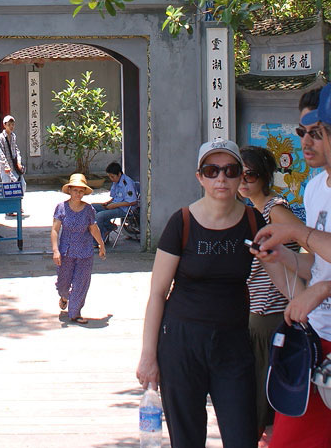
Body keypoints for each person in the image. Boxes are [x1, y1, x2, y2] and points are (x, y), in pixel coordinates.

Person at [136, 138, 287, 448]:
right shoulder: (183, 222)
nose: (222, 178)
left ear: (241, 177)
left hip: (232, 344)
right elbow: (158, 293)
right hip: (181, 344)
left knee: (242, 435)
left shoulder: (251, 221)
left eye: (231, 171)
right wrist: (148, 356)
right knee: (187, 439)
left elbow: (279, 274)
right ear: (200, 176)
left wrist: (312, 303)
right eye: (212, 170)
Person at [252, 84, 331, 448]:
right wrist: (279, 256)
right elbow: (314, 265)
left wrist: (297, 231)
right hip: (314, 341)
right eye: (302, 132)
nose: (306, 142)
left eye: (316, 133)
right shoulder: (315, 188)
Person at [239, 146, 302, 442]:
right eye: (237, 172)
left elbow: (305, 239)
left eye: (249, 174)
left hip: (272, 319)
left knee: (261, 413)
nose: (242, 180)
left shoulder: (273, 208)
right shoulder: (253, 210)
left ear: (264, 177)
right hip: (256, 318)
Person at [51, 173, 105, 324]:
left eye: (81, 191)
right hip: (66, 252)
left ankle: (75, 313)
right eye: (75, 190)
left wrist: (101, 244)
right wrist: (55, 250)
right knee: (63, 283)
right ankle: (64, 296)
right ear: (69, 190)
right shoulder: (61, 208)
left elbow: (94, 228)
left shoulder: (88, 209)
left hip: (84, 252)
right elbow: (55, 230)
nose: (78, 194)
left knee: (81, 283)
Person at [92, 161, 137, 242]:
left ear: (119, 174)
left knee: (100, 216)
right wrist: (108, 203)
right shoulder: (115, 181)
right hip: (114, 205)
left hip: (125, 209)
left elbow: (133, 202)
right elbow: (115, 197)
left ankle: (97, 241)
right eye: (109, 176)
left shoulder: (127, 183)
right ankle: (109, 227)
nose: (111, 179)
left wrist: (114, 205)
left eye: (112, 176)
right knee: (91, 207)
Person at [0, 114, 26, 194]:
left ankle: (18, 203)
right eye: (9, 125)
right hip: (6, 169)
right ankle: (7, 205)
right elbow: (0, 153)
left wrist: (19, 162)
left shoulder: (13, 136)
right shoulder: (0, 137)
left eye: (12, 124)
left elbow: (16, 150)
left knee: (22, 185)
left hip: (14, 167)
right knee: (7, 188)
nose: (11, 126)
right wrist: (6, 166)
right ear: (4, 125)